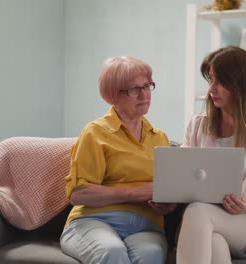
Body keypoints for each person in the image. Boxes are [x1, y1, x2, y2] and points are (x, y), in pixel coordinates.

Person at [176, 46, 246, 264]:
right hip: (209, 220)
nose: (212, 89)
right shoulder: (198, 125)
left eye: (220, 82)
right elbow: (182, 172)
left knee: (197, 212)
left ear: (240, 85)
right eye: (210, 80)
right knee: (214, 242)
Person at [61, 56, 176, 264]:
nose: (144, 95)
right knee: (112, 252)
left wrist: (165, 204)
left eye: (147, 86)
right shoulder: (95, 132)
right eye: (134, 89)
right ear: (113, 95)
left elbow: (164, 190)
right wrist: (135, 192)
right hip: (94, 220)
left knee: (150, 255)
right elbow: (79, 195)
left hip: (147, 224)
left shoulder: (159, 137)